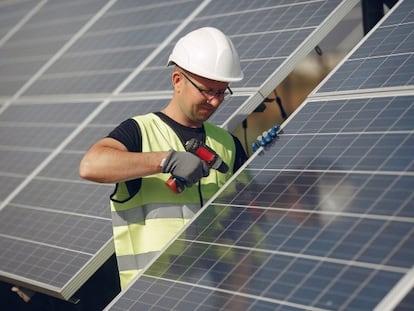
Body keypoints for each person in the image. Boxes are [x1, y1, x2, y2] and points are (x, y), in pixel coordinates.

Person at [79, 27, 248, 289]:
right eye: (206, 90)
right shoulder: (140, 131)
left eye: (221, 92)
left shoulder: (228, 144)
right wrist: (165, 160)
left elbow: (252, 215)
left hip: (213, 292)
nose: (214, 101)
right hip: (152, 294)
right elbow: (91, 165)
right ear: (177, 80)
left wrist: (270, 155)